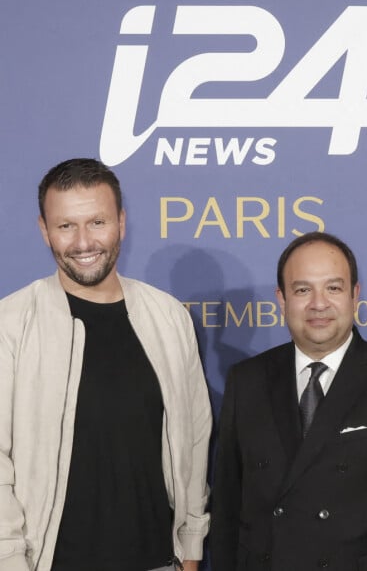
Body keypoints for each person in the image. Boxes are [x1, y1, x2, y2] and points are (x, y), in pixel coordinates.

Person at [0, 159, 212, 571]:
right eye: (66, 226)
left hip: (158, 561)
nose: (83, 242)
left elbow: (195, 438)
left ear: (121, 222)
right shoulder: (10, 323)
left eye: (97, 222)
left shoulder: (167, 316)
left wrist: (190, 549)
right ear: (44, 230)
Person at [210, 231, 367, 571]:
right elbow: (227, 507)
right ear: (282, 299)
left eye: (333, 288)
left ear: (355, 295)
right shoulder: (246, 380)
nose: (318, 304)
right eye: (303, 290)